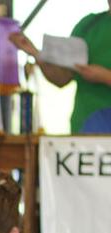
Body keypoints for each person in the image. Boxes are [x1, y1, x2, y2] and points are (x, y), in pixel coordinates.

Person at [11, 3, 111, 135]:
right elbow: (62, 78)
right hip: (86, 128)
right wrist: (35, 53)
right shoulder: (88, 24)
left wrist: (104, 77)